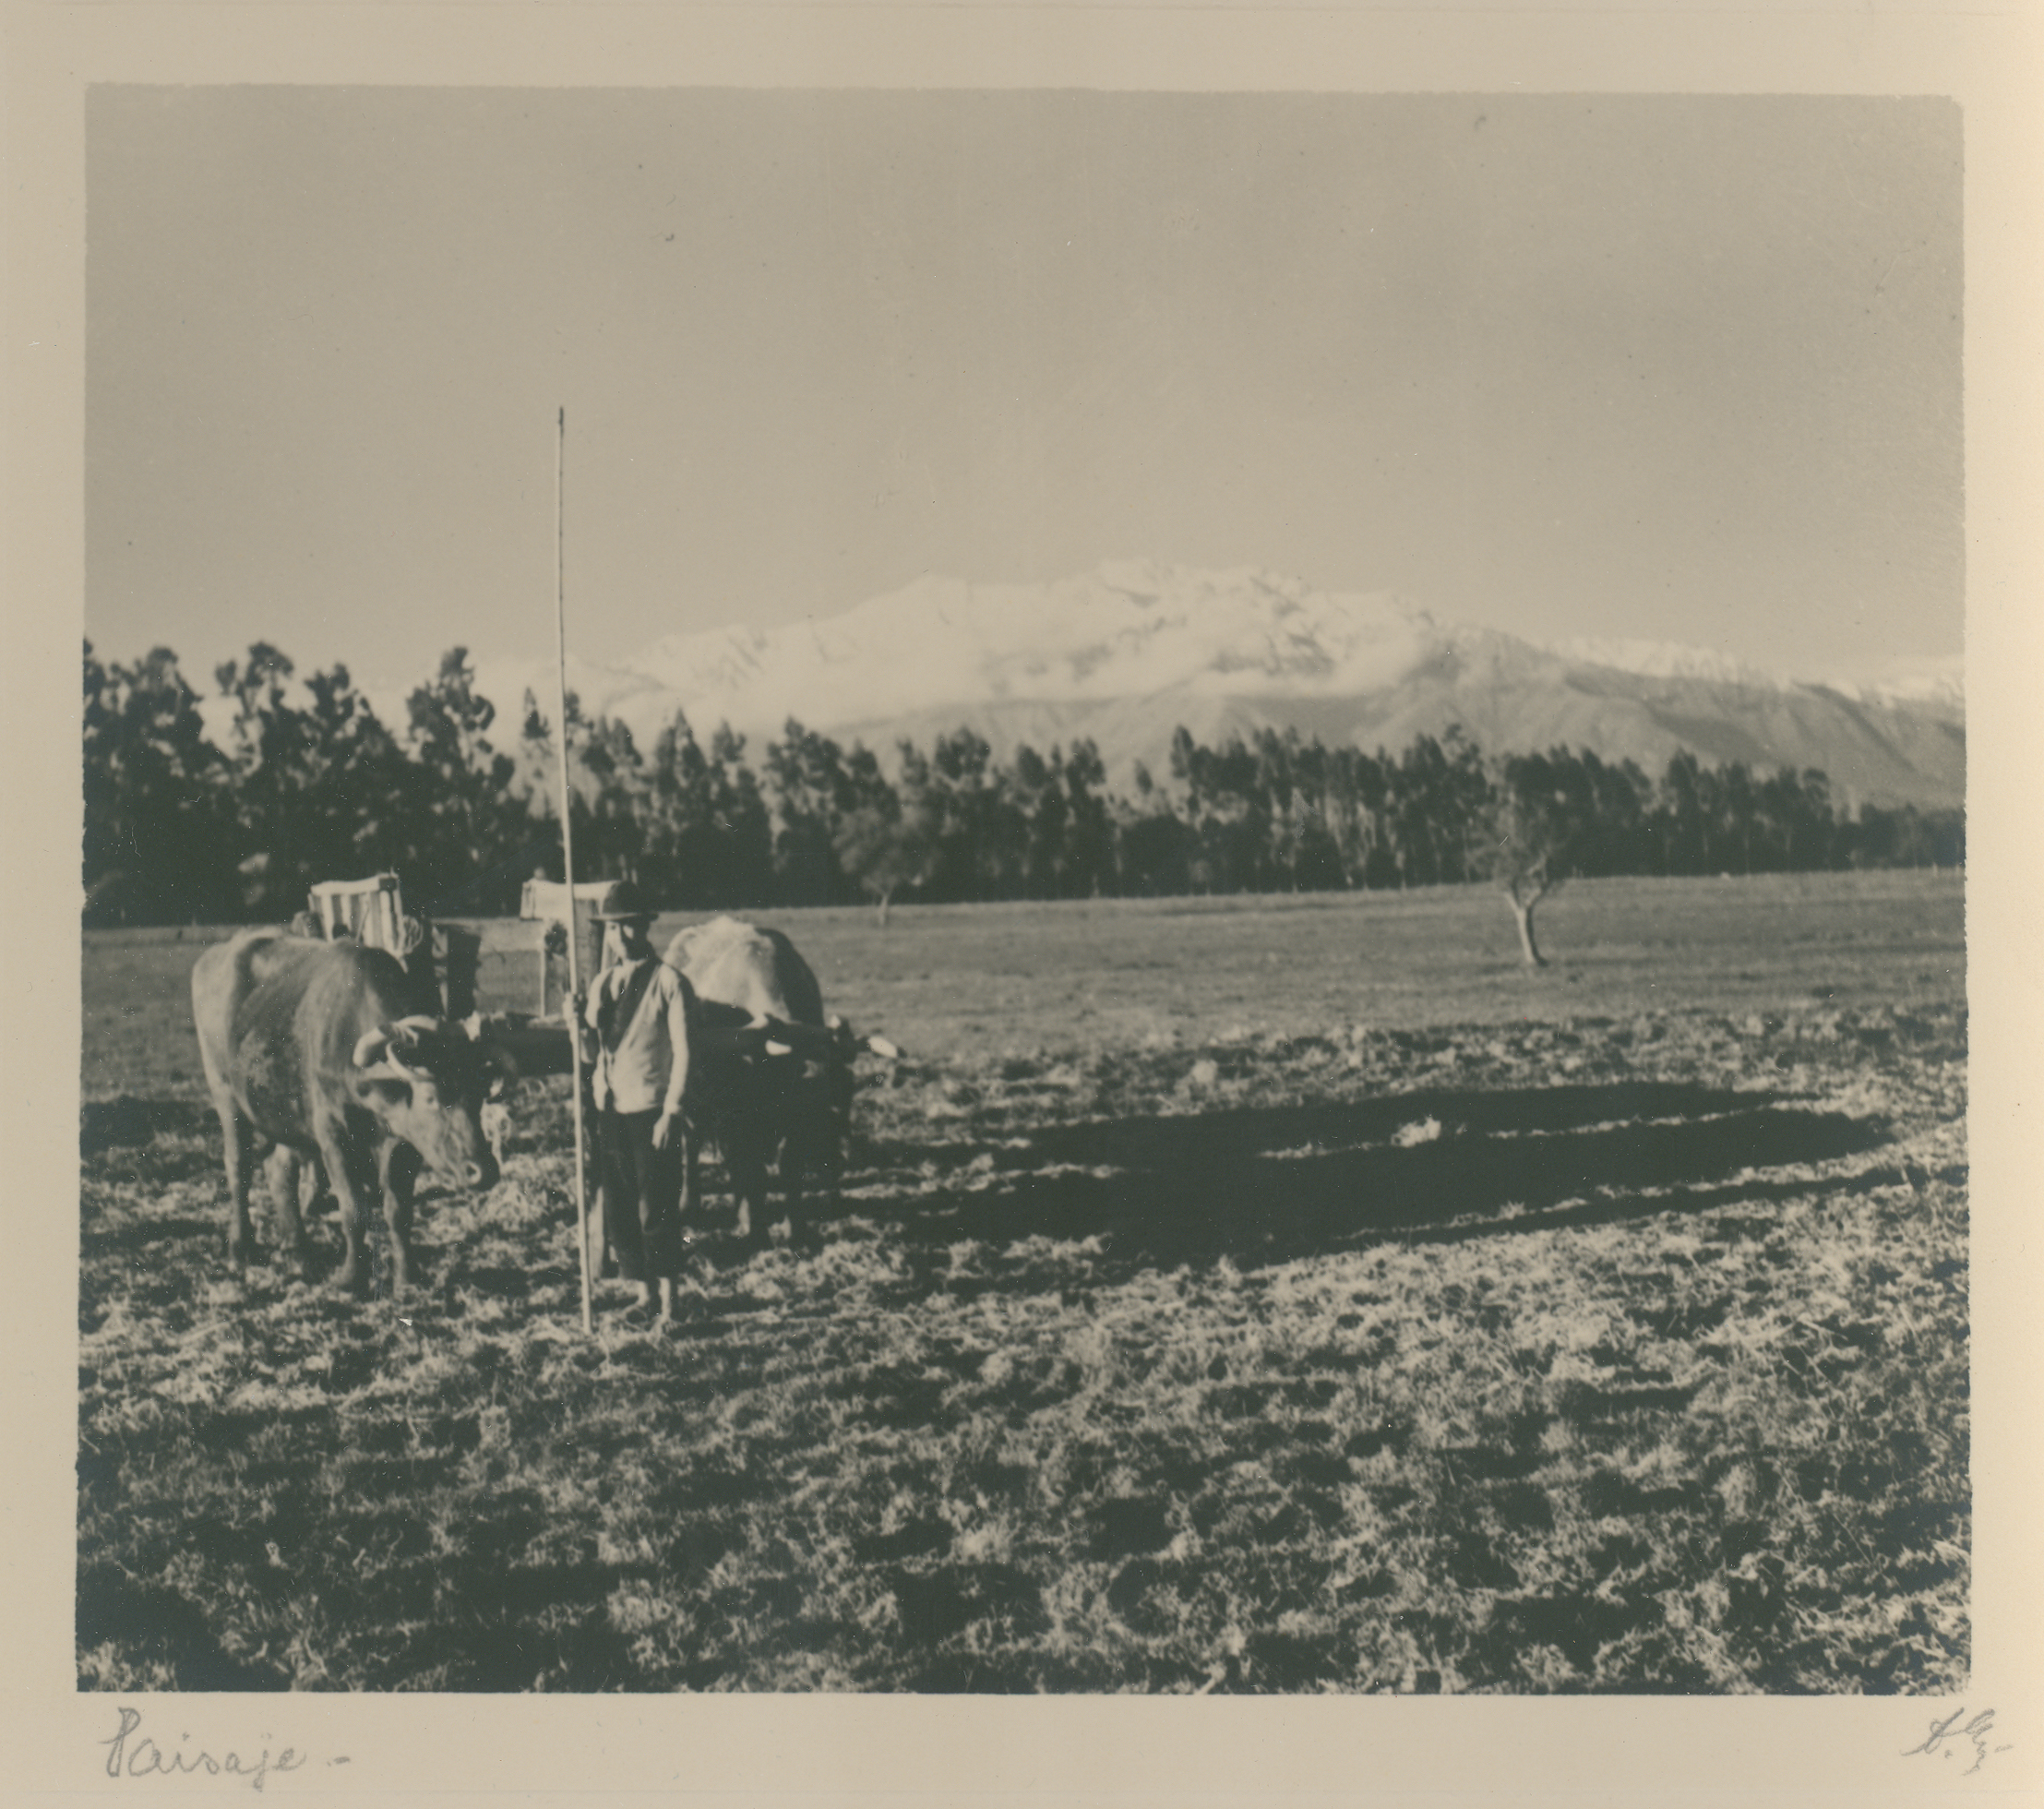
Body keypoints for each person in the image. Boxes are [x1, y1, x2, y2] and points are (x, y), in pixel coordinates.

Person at [576, 881, 695, 1322]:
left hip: (652, 1110)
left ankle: (671, 1303)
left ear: (644, 927)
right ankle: (644, 1296)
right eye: (612, 929)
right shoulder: (603, 985)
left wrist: (673, 1112)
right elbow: (591, 1055)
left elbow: (685, 1052)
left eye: (628, 927)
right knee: (621, 1208)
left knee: (658, 1207)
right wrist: (579, 1026)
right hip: (611, 1110)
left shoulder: (669, 983)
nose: (620, 936)